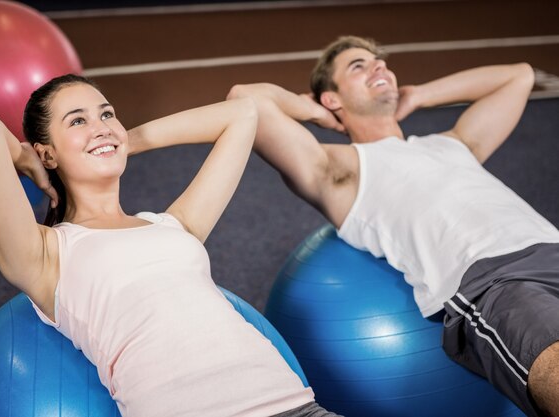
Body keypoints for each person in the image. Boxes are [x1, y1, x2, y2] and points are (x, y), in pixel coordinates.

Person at [0, 74, 341, 417]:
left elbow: (243, 114)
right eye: (78, 121)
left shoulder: (175, 225)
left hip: (295, 405)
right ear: (48, 151)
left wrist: (122, 140)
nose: (101, 125)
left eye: (107, 115)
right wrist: (25, 156)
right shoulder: (43, 253)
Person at [227, 36, 559, 417]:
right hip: (496, 283)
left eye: (380, 62)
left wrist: (418, 95)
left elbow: (518, 76)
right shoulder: (339, 169)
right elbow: (244, 98)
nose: (379, 67)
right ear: (332, 98)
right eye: (359, 66)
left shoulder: (454, 143)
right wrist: (314, 112)